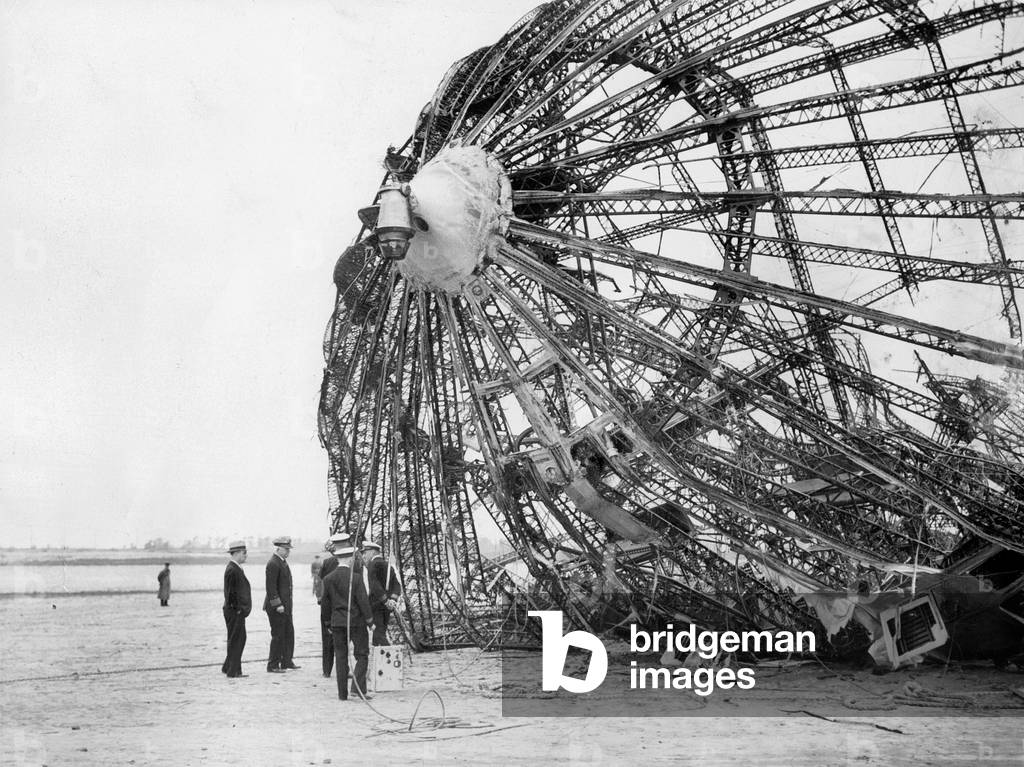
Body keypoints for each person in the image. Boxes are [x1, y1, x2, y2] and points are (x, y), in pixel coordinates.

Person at [320, 544, 374, 700]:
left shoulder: (328, 579)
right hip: (356, 622)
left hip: (337, 623)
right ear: (350, 559)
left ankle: (342, 694)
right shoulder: (356, 578)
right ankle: (357, 689)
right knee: (362, 655)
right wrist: (370, 621)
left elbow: (325, 605)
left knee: (341, 657)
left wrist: (328, 624)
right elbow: (363, 601)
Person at [263, 536, 299, 673]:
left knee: (289, 633)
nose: (288, 552)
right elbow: (271, 587)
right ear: (278, 548)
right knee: (278, 635)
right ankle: (272, 665)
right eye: (286, 549)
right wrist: (277, 604)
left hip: (285, 606)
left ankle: (286, 661)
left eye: (289, 549)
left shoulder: (282, 561)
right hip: (277, 607)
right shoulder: (273, 563)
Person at [318, 532, 351, 678]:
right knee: (344, 640)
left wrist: (321, 600)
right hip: (345, 608)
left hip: (329, 607)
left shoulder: (327, 563)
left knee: (327, 639)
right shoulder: (353, 562)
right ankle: (343, 669)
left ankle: (327, 670)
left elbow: (320, 585)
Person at [361, 541, 402, 646]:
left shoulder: (372, 565)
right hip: (387, 607)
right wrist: (392, 600)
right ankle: (377, 659)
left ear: (373, 552)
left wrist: (385, 600)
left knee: (379, 633)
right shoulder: (388, 566)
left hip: (376, 605)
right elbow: (397, 585)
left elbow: (375, 585)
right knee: (380, 632)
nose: (363, 555)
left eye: (365, 552)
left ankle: (390, 655)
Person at [221, 540, 251, 678]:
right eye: (244, 553)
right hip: (234, 611)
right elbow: (231, 594)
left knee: (238, 639)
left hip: (234, 611)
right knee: (237, 640)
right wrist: (238, 610)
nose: (246, 555)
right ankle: (233, 671)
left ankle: (229, 667)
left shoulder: (235, 568)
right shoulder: (233, 569)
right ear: (238, 553)